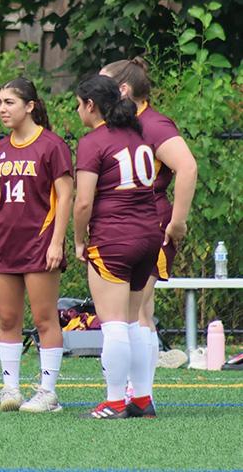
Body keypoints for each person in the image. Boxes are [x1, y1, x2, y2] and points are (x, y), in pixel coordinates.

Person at [99, 57, 198, 404]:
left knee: (138, 311)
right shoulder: (124, 125)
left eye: (105, 84)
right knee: (134, 310)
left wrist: (177, 221)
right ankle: (137, 393)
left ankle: (139, 395)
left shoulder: (152, 125)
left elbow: (187, 167)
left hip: (150, 221)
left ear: (123, 90)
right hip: (129, 223)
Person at [73, 74, 162, 419]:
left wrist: (79, 240)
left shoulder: (93, 142)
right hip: (148, 235)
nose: (78, 111)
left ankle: (113, 401)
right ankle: (141, 398)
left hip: (114, 237)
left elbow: (83, 203)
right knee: (133, 322)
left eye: (79, 105)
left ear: (91, 106)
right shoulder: (138, 135)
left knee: (113, 325)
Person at [0, 78, 73, 413]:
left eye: (9, 102)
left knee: (45, 318)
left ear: (30, 106)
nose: (2, 109)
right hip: (6, 244)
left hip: (39, 243)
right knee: (8, 319)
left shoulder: (52, 146)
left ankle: (48, 393)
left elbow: (65, 196)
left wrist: (57, 242)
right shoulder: (0, 149)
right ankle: (10, 389)